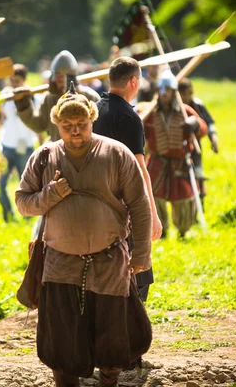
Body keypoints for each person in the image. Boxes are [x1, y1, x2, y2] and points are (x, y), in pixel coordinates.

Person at [15, 85, 152, 387]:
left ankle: (109, 380)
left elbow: (140, 205)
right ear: (57, 125)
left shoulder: (117, 154)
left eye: (82, 125)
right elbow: (23, 203)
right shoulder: (43, 157)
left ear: (92, 119)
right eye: (67, 126)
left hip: (110, 263)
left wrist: (142, 252)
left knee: (112, 334)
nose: (75, 131)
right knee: (62, 337)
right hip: (60, 266)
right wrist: (51, 194)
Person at [92, 56, 162, 303]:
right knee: (136, 277)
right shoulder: (129, 118)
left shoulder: (94, 111)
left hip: (95, 203)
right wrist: (152, 215)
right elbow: (141, 170)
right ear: (133, 82)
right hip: (125, 206)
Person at [144, 70, 207, 239]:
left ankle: (183, 230)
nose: (164, 94)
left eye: (168, 90)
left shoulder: (185, 111)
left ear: (173, 92)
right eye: (161, 90)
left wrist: (195, 125)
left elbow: (203, 129)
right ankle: (161, 231)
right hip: (157, 161)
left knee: (183, 198)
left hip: (180, 162)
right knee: (154, 196)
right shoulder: (150, 112)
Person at [13, 50, 100, 142]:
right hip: (58, 150)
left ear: (71, 78)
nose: (59, 81)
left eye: (62, 78)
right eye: (57, 78)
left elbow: (100, 127)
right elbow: (39, 125)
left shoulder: (90, 97)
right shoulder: (49, 99)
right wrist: (24, 105)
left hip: (85, 150)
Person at [0, 64, 39, 222]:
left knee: (27, 187)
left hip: (26, 147)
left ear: (24, 80)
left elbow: (38, 124)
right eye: (11, 80)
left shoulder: (34, 96)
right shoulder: (5, 95)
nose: (13, 84)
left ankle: (28, 217)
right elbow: (1, 117)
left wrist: (40, 144)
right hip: (7, 145)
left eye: (17, 81)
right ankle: (8, 215)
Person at [178, 78, 219, 210]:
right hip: (178, 149)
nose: (185, 97)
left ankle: (200, 208)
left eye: (187, 93)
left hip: (195, 149)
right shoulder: (175, 106)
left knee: (198, 176)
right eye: (182, 94)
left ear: (191, 92)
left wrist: (214, 140)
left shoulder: (197, 105)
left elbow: (209, 123)